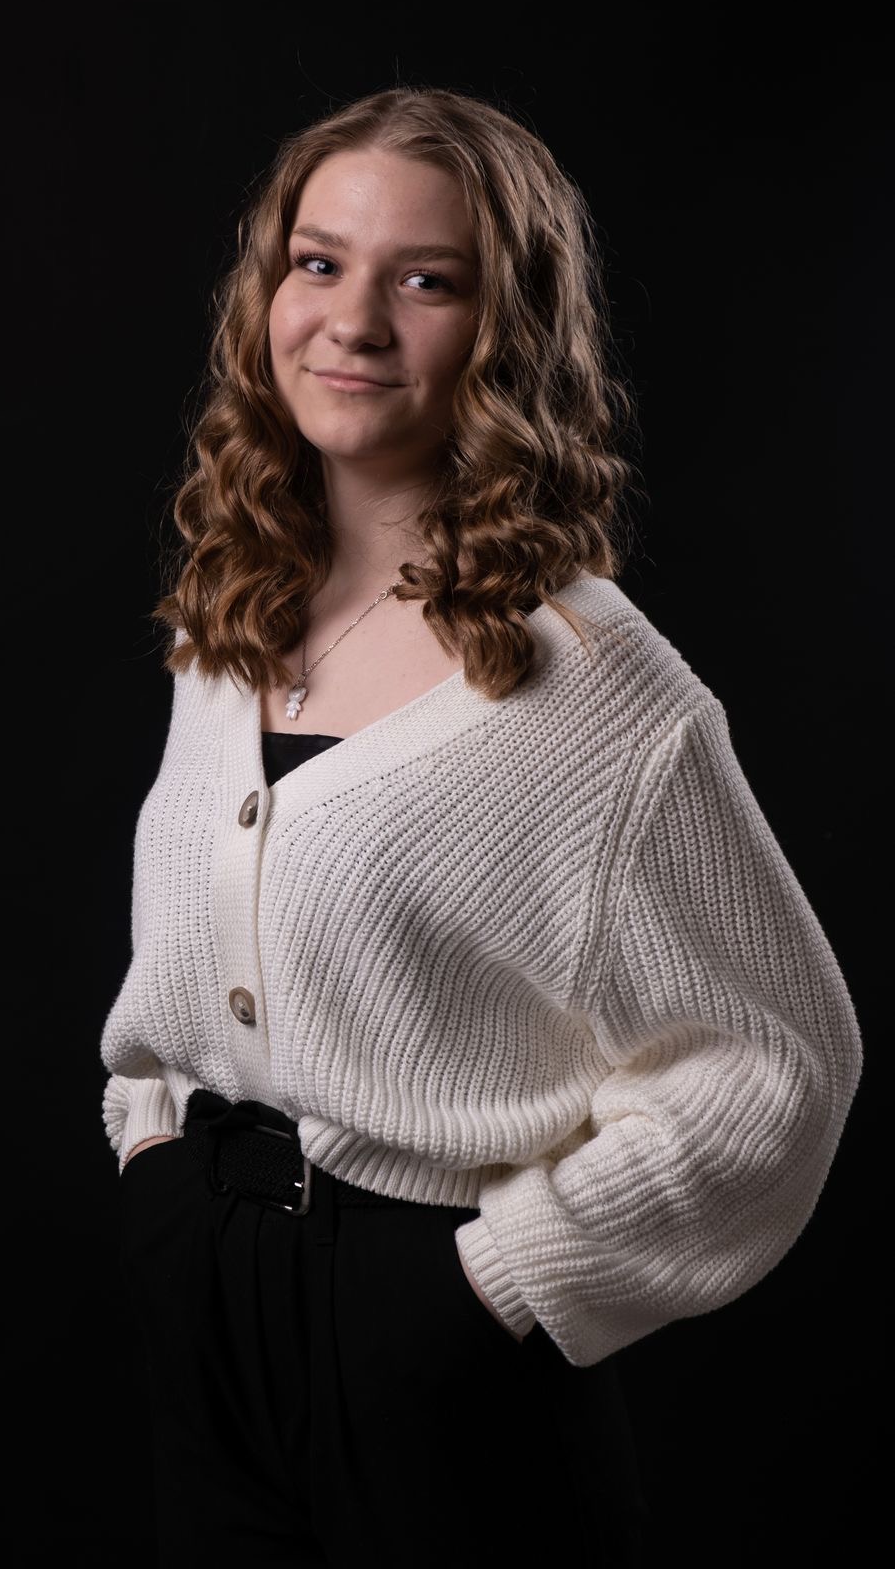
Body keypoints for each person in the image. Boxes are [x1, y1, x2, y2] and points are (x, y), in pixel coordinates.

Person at [100, 85, 863, 1567]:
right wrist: (151, 1150)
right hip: (204, 1300)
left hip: (432, 1337)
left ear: (505, 330)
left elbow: (775, 1064)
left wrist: (498, 1281)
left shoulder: (601, 693)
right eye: (318, 263)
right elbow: (192, 969)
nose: (352, 321)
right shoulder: (229, 617)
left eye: (425, 281)